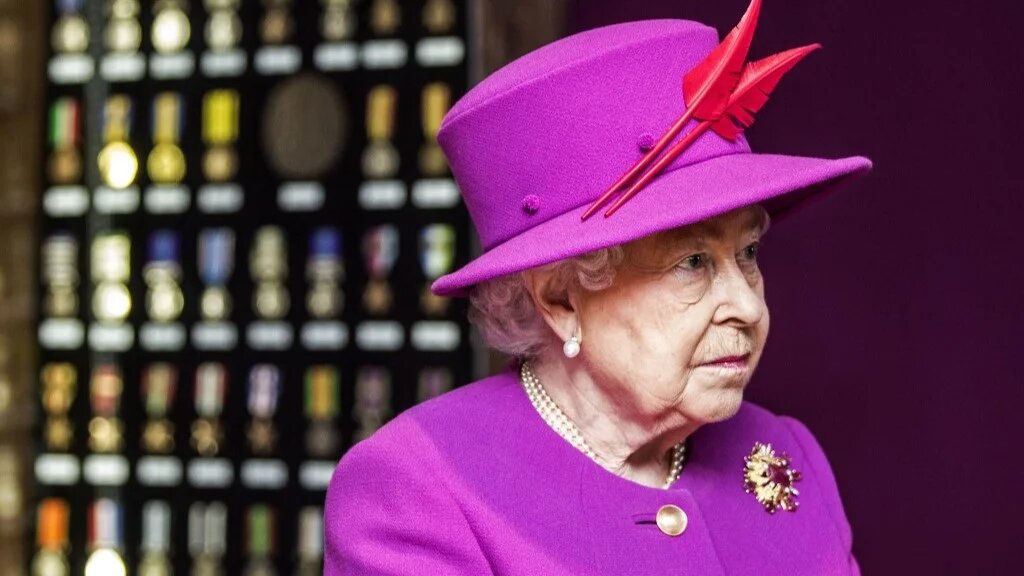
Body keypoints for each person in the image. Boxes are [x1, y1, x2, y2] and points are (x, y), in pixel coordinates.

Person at [324, 4, 873, 574]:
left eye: (748, 254)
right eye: (691, 263)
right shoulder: (419, 489)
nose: (747, 306)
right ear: (561, 299)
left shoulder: (787, 452)